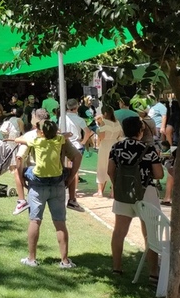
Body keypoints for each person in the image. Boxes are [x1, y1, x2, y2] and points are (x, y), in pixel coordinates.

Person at [15, 120, 82, 268]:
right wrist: (70, 178)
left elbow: (19, 158)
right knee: (60, 222)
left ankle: (31, 259)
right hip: (58, 184)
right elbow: (77, 155)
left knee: (35, 220)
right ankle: (64, 261)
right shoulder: (60, 139)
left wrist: (21, 179)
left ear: (39, 130)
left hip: (37, 185)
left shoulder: (34, 139)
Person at [108, 117, 163, 275]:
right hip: (146, 193)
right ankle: (153, 271)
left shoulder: (116, 147)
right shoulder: (148, 149)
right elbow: (158, 174)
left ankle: (117, 267)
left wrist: (118, 185)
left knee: (119, 231)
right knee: (150, 233)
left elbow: (110, 170)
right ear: (141, 131)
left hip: (123, 194)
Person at [61, 98, 93, 211]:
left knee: (68, 168)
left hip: (65, 144)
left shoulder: (62, 118)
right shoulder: (79, 119)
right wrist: (83, 142)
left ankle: (70, 192)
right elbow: (88, 131)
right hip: (77, 145)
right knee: (75, 171)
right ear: (76, 107)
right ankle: (73, 194)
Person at [95, 107, 124, 197]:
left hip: (105, 146)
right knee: (113, 168)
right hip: (114, 145)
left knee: (101, 167)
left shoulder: (103, 123)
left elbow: (102, 136)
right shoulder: (117, 123)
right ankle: (113, 192)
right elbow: (120, 135)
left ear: (105, 113)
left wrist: (97, 129)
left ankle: (100, 191)